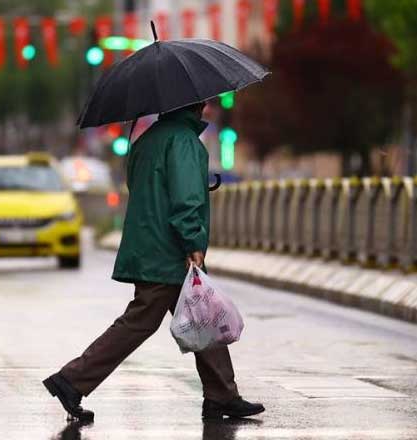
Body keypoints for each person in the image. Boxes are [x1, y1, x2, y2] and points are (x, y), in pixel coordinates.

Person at [43, 102, 265, 422]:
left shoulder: (147, 139)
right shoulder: (184, 142)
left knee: (203, 313)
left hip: (149, 243)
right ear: (196, 105)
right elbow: (186, 200)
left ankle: (222, 395)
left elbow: (147, 188)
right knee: (142, 321)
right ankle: (71, 380)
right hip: (168, 250)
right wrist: (193, 242)